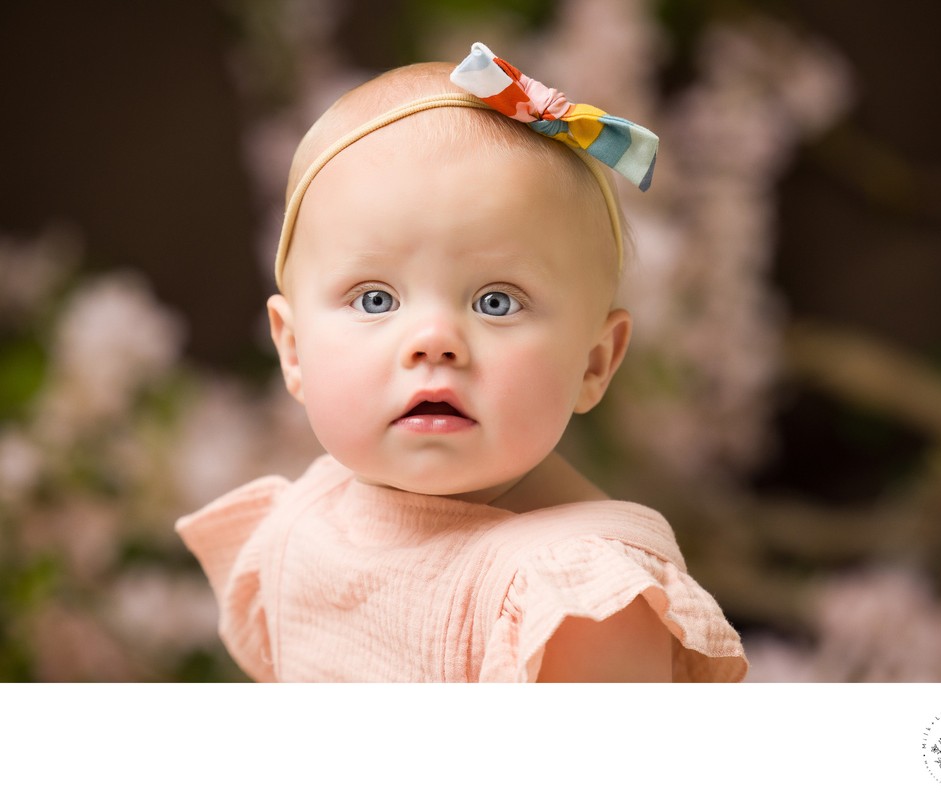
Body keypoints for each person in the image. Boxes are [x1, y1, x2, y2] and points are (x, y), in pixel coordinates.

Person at [176, 42, 747, 682]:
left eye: (497, 302)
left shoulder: (576, 599)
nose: (434, 341)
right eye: (375, 298)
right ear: (293, 349)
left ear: (594, 363)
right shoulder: (301, 526)